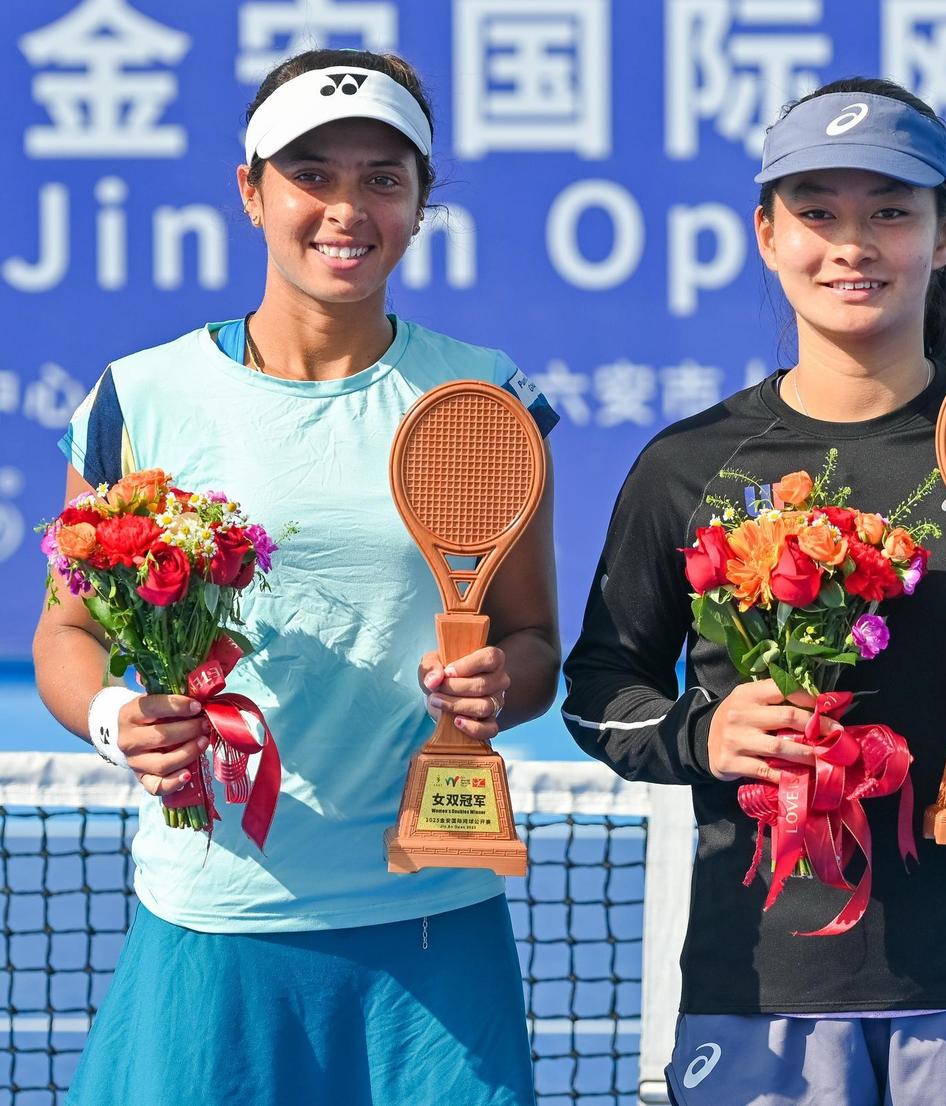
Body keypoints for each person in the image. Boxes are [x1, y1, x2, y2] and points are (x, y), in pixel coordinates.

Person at [562, 78, 946, 1106]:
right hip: (761, 986)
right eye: (818, 211)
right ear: (765, 233)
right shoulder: (689, 466)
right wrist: (704, 735)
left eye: (890, 209)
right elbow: (599, 689)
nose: (853, 243)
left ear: (945, 233)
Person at [33, 49, 559, 1106]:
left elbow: (536, 640)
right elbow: (68, 632)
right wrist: (113, 719)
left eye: (382, 176)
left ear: (419, 202)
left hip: (431, 917)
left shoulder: (487, 396)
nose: (344, 209)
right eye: (311, 173)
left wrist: (504, 679)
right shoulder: (141, 398)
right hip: (214, 918)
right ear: (252, 189)